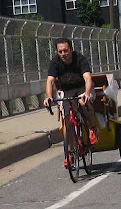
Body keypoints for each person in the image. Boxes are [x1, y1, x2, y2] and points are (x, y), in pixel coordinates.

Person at [43, 37, 98, 167]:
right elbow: (50, 81)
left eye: (66, 51)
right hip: (67, 91)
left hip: (82, 88)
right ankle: (72, 152)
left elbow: (88, 78)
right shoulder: (55, 62)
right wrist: (49, 97)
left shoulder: (80, 59)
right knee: (67, 120)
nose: (63, 54)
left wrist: (87, 93)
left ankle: (93, 128)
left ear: (71, 50)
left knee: (84, 103)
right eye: (60, 51)